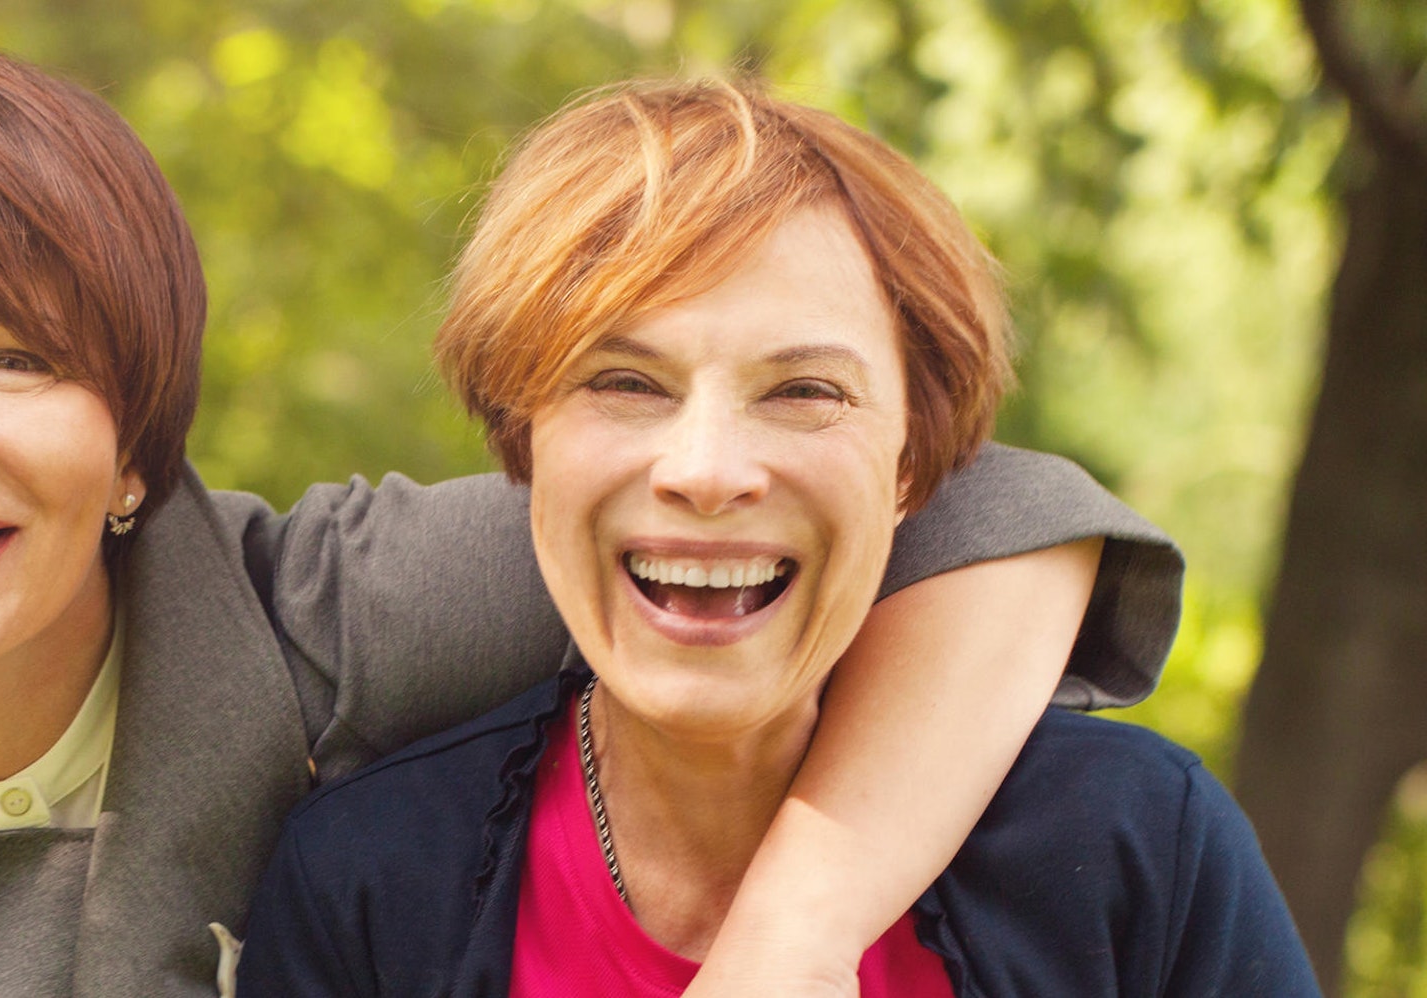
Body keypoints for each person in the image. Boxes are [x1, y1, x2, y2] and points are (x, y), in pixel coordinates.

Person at [0, 39, 1183, 997]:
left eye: (16, 357)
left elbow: (987, 505)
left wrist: (791, 942)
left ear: (136, 446)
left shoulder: (314, 617)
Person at [237, 77, 1319, 996]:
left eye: (803, 390)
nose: (706, 470)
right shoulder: (364, 884)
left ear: (909, 466)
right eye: (623, 382)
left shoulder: (1133, 842)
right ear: (523, 439)